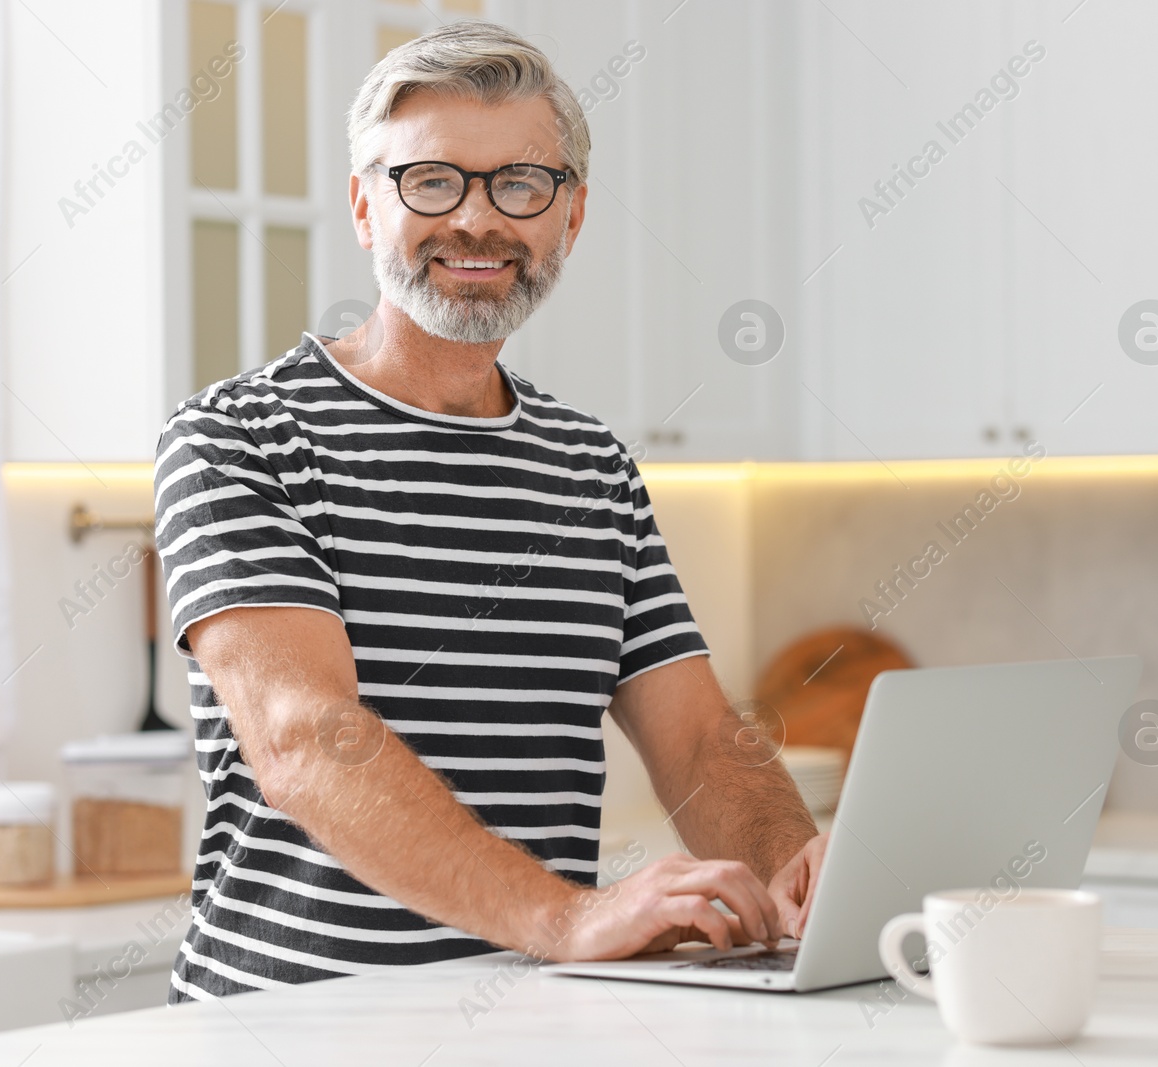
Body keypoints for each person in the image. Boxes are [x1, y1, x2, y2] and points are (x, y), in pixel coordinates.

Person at [153, 19, 827, 1001]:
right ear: (362, 206)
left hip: (526, 1024)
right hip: (288, 1028)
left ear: (571, 214)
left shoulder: (589, 466)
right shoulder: (238, 435)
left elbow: (697, 741)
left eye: (519, 182)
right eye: (431, 181)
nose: (476, 220)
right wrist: (569, 914)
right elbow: (306, 738)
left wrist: (796, 866)